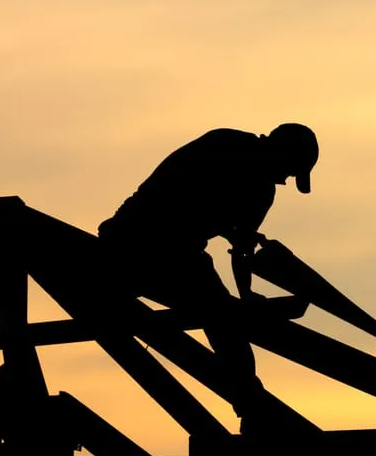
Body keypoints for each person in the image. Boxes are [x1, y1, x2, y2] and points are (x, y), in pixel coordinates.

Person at [97, 123, 319, 432]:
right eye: (289, 171)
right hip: (149, 245)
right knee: (226, 324)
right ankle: (253, 412)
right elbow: (178, 195)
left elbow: (238, 246)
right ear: (280, 152)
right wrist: (243, 294)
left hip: (137, 242)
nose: (285, 180)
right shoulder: (231, 153)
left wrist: (245, 290)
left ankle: (252, 411)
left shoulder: (233, 152)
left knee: (225, 322)